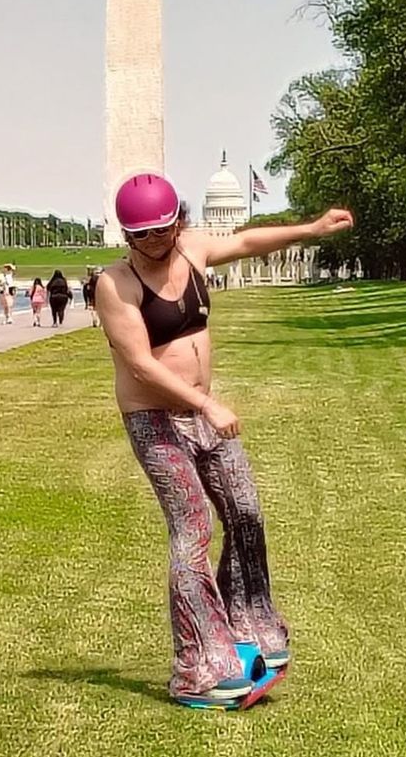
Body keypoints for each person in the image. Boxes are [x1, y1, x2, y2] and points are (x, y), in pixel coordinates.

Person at [96, 172, 353, 710]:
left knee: (246, 511)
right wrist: (206, 403)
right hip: (157, 419)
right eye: (141, 235)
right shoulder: (115, 284)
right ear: (127, 235)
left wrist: (311, 228)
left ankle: (249, 623)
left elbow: (244, 241)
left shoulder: (189, 251)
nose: (154, 242)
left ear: (179, 221)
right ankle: (197, 668)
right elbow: (140, 365)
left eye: (162, 229)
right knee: (193, 529)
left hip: (202, 413)